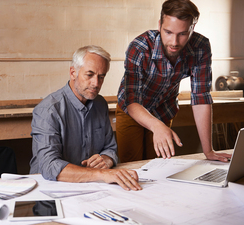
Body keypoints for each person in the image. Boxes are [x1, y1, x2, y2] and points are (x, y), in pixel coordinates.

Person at [115, 0, 232, 163]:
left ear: (192, 28)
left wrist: (209, 151)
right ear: (159, 25)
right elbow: (132, 100)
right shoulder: (139, 47)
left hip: (164, 109)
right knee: (132, 164)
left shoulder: (201, 47)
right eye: (168, 32)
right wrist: (156, 126)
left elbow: (201, 97)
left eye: (183, 34)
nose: (174, 42)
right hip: (132, 109)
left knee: (156, 165)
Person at [30, 45, 142, 191]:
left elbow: (110, 148)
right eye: (89, 75)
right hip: (49, 190)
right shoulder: (48, 110)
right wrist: (101, 174)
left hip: (90, 188)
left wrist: (106, 160)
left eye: (101, 77)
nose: (96, 83)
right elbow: (50, 166)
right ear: (73, 73)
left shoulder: (100, 104)